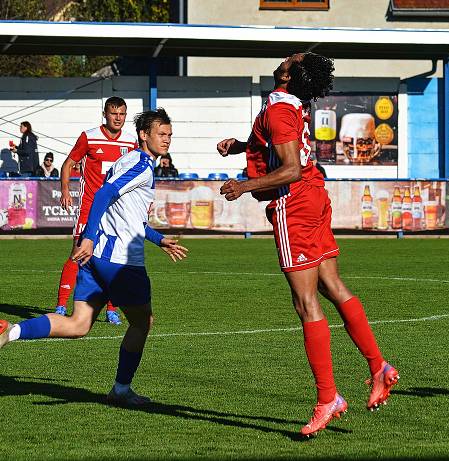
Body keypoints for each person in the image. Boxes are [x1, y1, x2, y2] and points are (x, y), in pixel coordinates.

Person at [216, 52, 398, 437]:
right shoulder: (289, 106)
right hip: (315, 195)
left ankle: (328, 398)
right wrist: (239, 147)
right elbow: (279, 146)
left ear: (290, 74)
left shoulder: (280, 111)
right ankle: (379, 366)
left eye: (292, 58)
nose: (286, 57)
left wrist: (243, 186)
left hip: (295, 201)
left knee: (306, 302)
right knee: (333, 286)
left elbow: (290, 167)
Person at [0, 108, 187, 405]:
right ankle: (121, 390)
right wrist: (86, 236)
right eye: (161, 134)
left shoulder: (127, 160)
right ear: (143, 134)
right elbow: (102, 196)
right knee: (142, 323)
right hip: (120, 260)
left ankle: (11, 331)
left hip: (97, 256)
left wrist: (158, 238)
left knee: (78, 325)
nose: (167, 140)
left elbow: (129, 216)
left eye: (169, 135)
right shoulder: (140, 164)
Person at [55, 97, 138, 325]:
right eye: (114, 113)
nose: (118, 118)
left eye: (122, 114)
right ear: (105, 114)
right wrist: (65, 190)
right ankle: (61, 305)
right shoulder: (89, 136)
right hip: (89, 208)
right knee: (77, 254)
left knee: (113, 258)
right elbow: (67, 164)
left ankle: (112, 309)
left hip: (116, 211)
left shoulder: (131, 143)